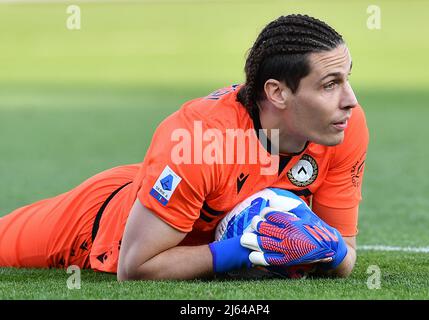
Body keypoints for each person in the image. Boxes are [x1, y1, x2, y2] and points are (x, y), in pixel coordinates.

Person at [0, 14, 369, 280]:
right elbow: (135, 267)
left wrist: (329, 249)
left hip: (165, 185)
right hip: (100, 221)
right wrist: (239, 251)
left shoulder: (341, 127)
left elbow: (345, 255)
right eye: (329, 84)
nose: (350, 100)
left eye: (347, 78)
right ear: (276, 93)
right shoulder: (199, 140)